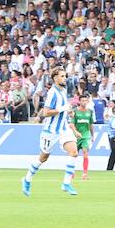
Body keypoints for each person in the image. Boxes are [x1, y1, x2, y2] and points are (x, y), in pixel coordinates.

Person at [22, 68, 79, 197]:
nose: (65, 78)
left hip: (63, 128)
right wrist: (62, 108)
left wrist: (68, 111)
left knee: (74, 152)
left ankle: (66, 183)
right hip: (51, 131)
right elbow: (46, 112)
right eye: (62, 76)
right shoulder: (52, 93)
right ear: (55, 78)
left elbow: (63, 109)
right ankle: (27, 179)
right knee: (43, 158)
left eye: (65, 76)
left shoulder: (63, 91)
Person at [72, 94, 95, 181]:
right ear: (79, 101)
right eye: (82, 100)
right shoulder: (75, 111)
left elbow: (91, 124)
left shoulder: (90, 112)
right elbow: (71, 124)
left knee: (85, 152)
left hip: (85, 136)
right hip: (75, 137)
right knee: (74, 155)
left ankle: (85, 173)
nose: (84, 102)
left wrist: (92, 135)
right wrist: (75, 132)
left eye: (86, 100)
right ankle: (72, 172)